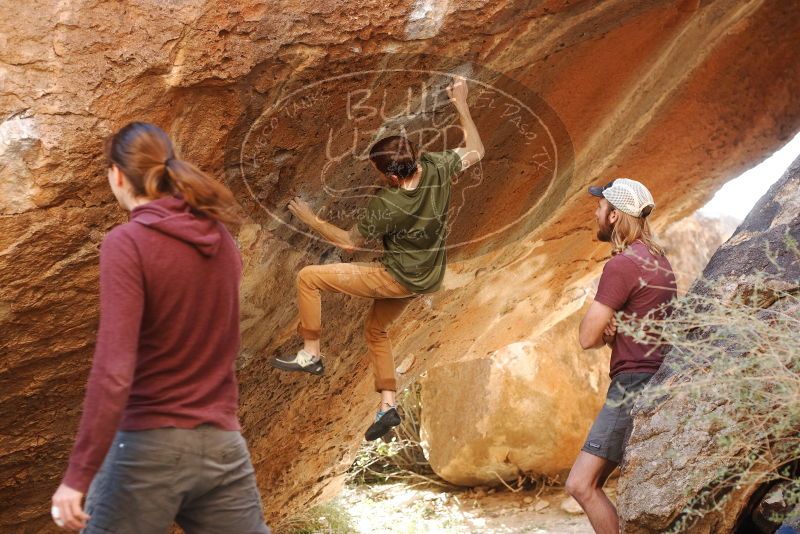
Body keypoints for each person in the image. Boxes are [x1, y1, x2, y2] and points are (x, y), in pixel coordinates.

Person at [50, 122, 271, 533]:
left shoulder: (128, 243)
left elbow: (114, 370)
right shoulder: (221, 240)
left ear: (116, 175)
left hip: (148, 448)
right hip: (222, 445)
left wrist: (77, 476)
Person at [270, 76, 485, 441]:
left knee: (308, 277)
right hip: (427, 277)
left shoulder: (388, 204)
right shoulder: (436, 167)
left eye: (376, 171)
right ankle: (388, 404)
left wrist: (311, 219)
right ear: (414, 155)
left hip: (396, 277)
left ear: (388, 174)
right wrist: (461, 102)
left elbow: (349, 242)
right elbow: (476, 150)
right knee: (377, 331)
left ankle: (310, 353)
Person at [565, 178, 677, 534]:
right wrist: (612, 333)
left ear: (614, 215)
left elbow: (585, 337)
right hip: (653, 379)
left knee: (581, 484)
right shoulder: (658, 261)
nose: (595, 213)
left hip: (631, 387)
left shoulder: (622, 266)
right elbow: (626, 336)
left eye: (600, 207)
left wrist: (601, 327)